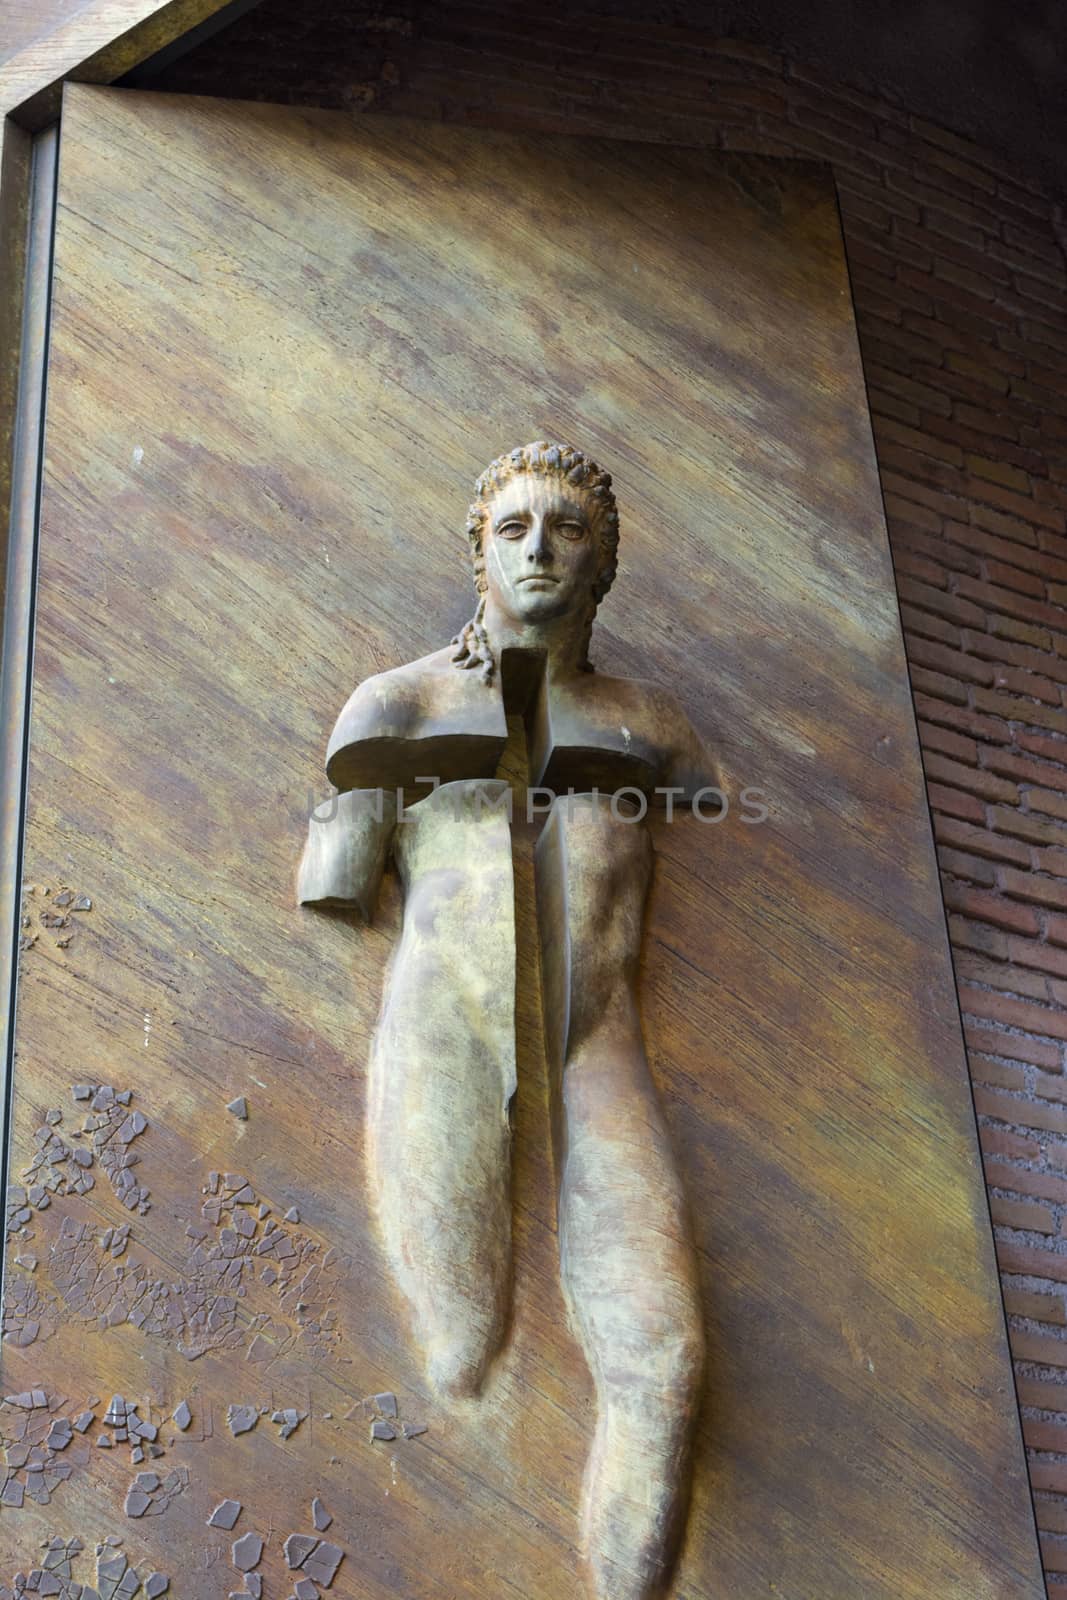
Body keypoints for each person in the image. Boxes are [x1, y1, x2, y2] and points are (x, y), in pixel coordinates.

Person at [299, 442, 715, 1600]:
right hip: (442, 1026)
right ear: (475, 550)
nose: (539, 549)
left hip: (599, 1046)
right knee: (458, 1349)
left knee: (665, 1356)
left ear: (604, 560)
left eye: (566, 529)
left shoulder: (655, 731)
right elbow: (337, 885)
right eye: (513, 527)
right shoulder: (398, 704)